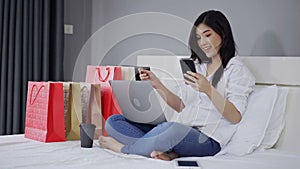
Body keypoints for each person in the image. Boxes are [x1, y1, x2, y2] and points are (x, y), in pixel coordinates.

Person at [99, 10, 255, 160]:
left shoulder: (235, 69)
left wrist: (208, 89)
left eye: (207, 35)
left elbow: (235, 117)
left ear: (223, 34)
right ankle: (165, 150)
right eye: (198, 38)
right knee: (114, 122)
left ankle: (122, 149)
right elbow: (181, 106)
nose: (202, 43)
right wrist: (157, 84)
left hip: (208, 140)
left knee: (170, 129)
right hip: (182, 129)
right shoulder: (197, 66)